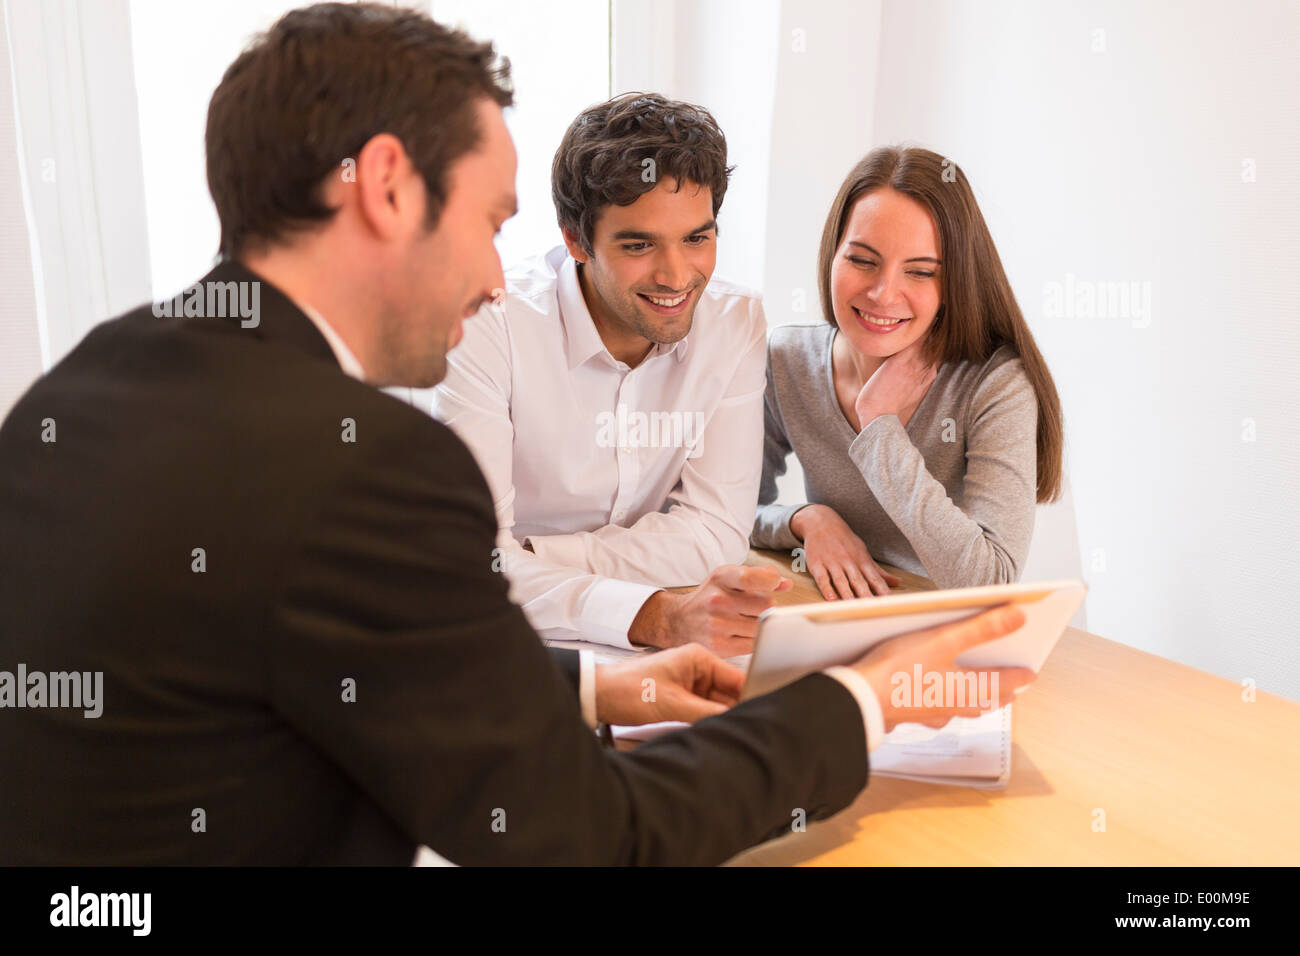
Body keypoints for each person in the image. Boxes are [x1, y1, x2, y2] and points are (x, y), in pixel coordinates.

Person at [0, 4, 1032, 866]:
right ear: (389, 185)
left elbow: (308, 658)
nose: (501, 275)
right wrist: (865, 697)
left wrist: (594, 680)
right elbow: (590, 832)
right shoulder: (360, 467)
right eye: (492, 223)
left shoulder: (82, 387)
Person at [432, 93, 787, 657]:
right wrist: (652, 615)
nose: (676, 276)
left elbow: (717, 536)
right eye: (639, 244)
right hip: (494, 640)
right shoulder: (487, 325)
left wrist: (538, 555)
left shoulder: (734, 323)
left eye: (697, 237)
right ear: (575, 240)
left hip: (666, 638)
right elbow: (473, 565)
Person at [752, 146, 1065, 597]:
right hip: (835, 619)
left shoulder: (995, 385)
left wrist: (879, 425)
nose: (883, 293)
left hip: (945, 637)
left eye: (919, 272)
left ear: (954, 282)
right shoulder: (787, 359)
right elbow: (727, 516)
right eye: (862, 260)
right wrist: (805, 520)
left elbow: (987, 581)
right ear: (832, 255)